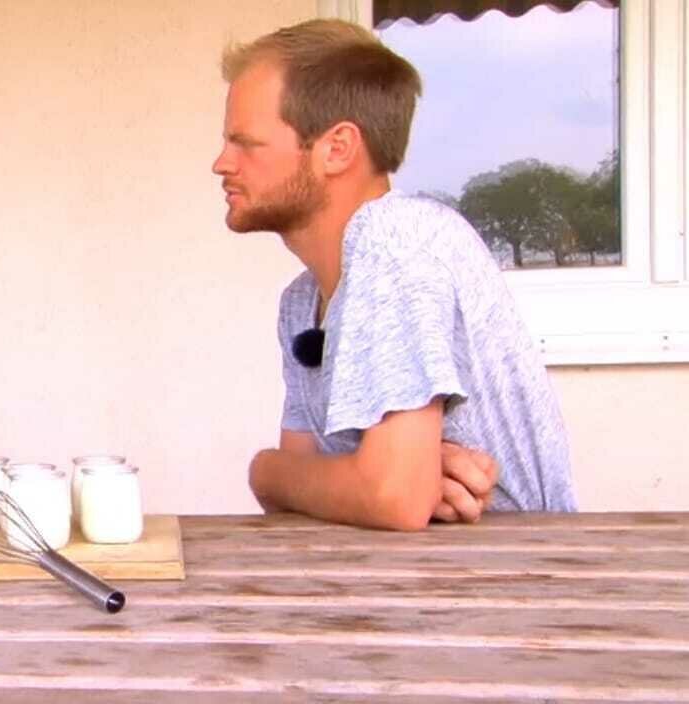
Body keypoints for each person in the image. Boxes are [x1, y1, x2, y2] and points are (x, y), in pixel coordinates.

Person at [210, 19, 576, 531]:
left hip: (516, 570)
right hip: (403, 571)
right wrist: (289, 475)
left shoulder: (395, 242)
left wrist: (273, 471)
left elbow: (392, 498)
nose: (221, 163)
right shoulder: (301, 303)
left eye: (245, 143)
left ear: (337, 148)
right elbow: (304, 491)